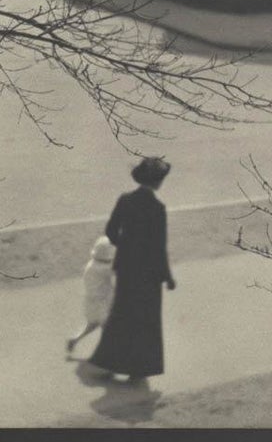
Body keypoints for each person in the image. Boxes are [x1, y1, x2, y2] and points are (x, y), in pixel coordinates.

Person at [88, 157, 176, 381]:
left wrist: (126, 248)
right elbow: (159, 246)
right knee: (145, 320)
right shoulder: (157, 208)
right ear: (157, 181)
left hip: (126, 268)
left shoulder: (125, 200)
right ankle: (139, 369)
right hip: (148, 273)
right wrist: (167, 276)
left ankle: (109, 363)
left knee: (121, 314)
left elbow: (110, 231)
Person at [66, 235, 116, 353]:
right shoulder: (105, 269)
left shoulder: (91, 264)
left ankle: (74, 340)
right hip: (102, 303)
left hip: (91, 301)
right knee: (108, 329)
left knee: (93, 324)